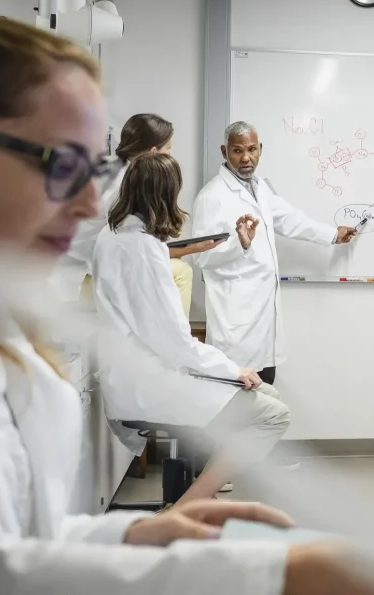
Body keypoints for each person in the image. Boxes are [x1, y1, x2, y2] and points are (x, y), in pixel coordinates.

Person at [0, 15, 374, 595]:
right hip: (189, 350)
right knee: (262, 411)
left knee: (259, 404)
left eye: (96, 169)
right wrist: (263, 572)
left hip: (194, 349)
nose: (88, 204)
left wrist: (133, 536)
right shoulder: (173, 220)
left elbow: (25, 538)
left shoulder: (3, 336)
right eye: (61, 163)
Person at [93, 153, 293, 504]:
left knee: (268, 396)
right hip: (150, 380)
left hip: (135, 371)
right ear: (164, 195)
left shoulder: (113, 235)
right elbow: (175, 341)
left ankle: (194, 495)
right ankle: (190, 504)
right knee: (274, 415)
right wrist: (233, 369)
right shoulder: (145, 249)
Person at [189, 121, 357, 386]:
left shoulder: (259, 188)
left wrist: (332, 234)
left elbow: (290, 219)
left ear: (260, 149)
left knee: (266, 383)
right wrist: (240, 244)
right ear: (224, 151)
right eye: (237, 151)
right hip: (236, 319)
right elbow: (201, 257)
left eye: (252, 149)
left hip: (264, 319)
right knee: (240, 396)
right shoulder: (212, 197)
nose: (246, 158)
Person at [65, 112, 217, 317]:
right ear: (153, 153)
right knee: (181, 272)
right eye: (168, 148)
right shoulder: (127, 186)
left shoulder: (117, 174)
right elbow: (139, 251)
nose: (171, 155)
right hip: (94, 275)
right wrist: (191, 248)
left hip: (93, 269)